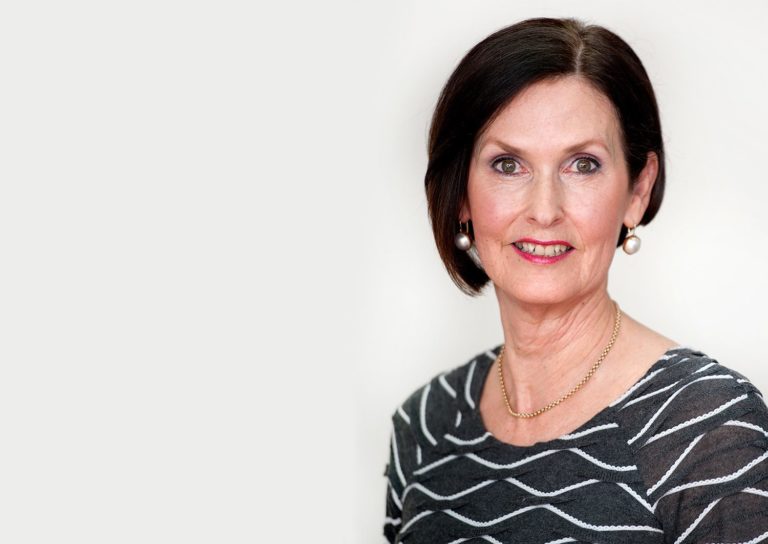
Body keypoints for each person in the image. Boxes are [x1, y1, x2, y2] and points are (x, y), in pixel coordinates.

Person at [383, 17, 768, 544]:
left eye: (583, 165)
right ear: (461, 194)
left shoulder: (707, 427)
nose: (544, 210)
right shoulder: (425, 425)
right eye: (508, 165)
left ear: (638, 189)